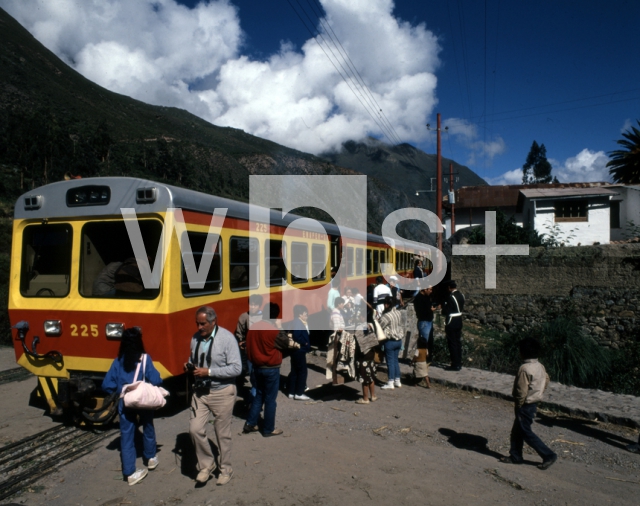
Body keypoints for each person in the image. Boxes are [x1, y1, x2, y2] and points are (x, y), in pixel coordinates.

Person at [186, 306, 242, 486]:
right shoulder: (195, 339)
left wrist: (208, 372)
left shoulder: (227, 339)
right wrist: (188, 366)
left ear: (213, 322)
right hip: (200, 392)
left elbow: (236, 368)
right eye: (197, 323)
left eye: (202, 324)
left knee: (222, 433)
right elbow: (193, 360)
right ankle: (206, 465)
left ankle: (226, 469)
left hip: (222, 392)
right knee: (195, 429)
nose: (199, 327)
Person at [102, 327, 162, 486]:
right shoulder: (145, 359)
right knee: (148, 426)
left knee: (126, 436)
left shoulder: (118, 361)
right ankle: (150, 458)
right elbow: (156, 380)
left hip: (125, 402)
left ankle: (129, 473)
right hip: (142, 401)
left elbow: (107, 385)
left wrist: (122, 390)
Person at [500, 338, 558, 470]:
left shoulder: (524, 368)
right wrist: (539, 392)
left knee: (525, 432)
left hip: (525, 405)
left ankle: (548, 455)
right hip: (534, 402)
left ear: (522, 352)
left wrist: (518, 405)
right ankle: (516, 456)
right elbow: (547, 379)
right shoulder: (540, 366)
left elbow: (521, 390)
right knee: (517, 431)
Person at [244, 302, 285, 436]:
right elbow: (285, 343)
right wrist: (280, 328)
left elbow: (247, 347)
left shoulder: (253, 328)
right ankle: (268, 429)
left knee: (258, 396)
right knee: (270, 399)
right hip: (271, 368)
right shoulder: (273, 330)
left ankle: (250, 423)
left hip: (256, 367)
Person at [234, 294, 264, 401]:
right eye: (251, 304)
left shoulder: (265, 316)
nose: (253, 307)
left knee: (261, 373)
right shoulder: (244, 317)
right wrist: (241, 341)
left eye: (255, 305)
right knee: (252, 374)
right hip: (250, 351)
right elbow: (239, 332)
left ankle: (256, 396)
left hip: (262, 350)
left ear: (259, 305)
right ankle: (255, 396)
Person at [378, 296, 404, 389]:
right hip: (399, 340)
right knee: (395, 361)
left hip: (390, 341)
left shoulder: (386, 316)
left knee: (390, 362)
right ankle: (397, 380)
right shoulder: (398, 312)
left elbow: (380, 326)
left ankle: (390, 382)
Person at [287, 305, 311, 401]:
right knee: (302, 371)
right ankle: (299, 393)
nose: (307, 315)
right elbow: (297, 335)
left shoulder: (294, 321)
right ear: (300, 314)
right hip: (299, 350)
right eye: (305, 314)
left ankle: (291, 392)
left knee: (294, 371)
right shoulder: (298, 322)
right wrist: (304, 342)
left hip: (294, 350)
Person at [354, 312, 378, 403]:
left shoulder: (359, 328)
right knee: (371, 377)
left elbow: (358, 344)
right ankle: (373, 395)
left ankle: (365, 398)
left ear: (361, 317)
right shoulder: (371, 326)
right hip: (371, 355)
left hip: (363, 357)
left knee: (364, 379)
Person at [441, 280, 465, 371]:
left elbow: (446, 310)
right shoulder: (461, 295)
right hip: (459, 320)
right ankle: (459, 362)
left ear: (449, 288)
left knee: (452, 343)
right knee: (458, 342)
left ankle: (454, 364)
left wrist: (443, 308)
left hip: (451, 321)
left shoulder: (451, 297)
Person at [414, 285, 435, 352]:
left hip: (429, 321)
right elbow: (420, 311)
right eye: (430, 290)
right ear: (425, 289)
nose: (431, 291)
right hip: (424, 322)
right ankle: (422, 359)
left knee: (430, 342)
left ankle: (428, 358)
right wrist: (430, 310)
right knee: (424, 342)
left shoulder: (427, 297)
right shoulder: (418, 298)